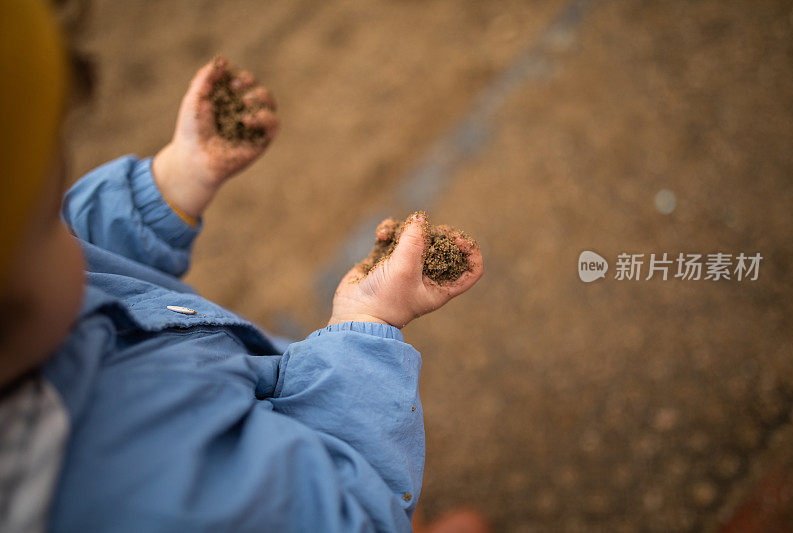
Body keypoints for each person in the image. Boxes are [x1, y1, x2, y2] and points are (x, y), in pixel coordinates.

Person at [0, 1, 484, 531]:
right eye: (51, 218)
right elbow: (343, 517)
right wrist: (368, 324)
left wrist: (170, 184)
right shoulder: (153, 488)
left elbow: (91, 258)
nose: (77, 245)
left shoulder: (34, 315)